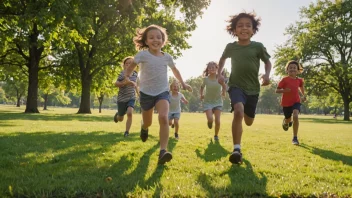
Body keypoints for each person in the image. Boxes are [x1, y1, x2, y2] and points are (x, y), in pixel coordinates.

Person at [124, 24, 192, 164]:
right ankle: (144, 127)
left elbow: (175, 71)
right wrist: (127, 76)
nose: (155, 40)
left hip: (162, 92)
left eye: (159, 37)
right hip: (146, 93)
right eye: (151, 37)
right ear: (146, 41)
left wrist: (183, 83)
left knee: (163, 117)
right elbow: (131, 66)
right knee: (148, 121)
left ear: (163, 40)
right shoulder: (143, 54)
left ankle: (163, 151)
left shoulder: (167, 57)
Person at [217, 12, 272, 164]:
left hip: (253, 89)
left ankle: (238, 144)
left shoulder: (258, 47)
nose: (244, 28)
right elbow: (221, 60)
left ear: (253, 30)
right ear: (234, 30)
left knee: (248, 121)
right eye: (240, 25)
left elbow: (268, 62)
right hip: (236, 85)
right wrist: (220, 73)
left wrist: (267, 75)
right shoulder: (231, 47)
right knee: (238, 111)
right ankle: (236, 149)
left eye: (248, 25)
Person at [276, 60, 305, 145]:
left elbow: (300, 88)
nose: (292, 69)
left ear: (298, 70)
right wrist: (284, 90)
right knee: (288, 119)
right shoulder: (284, 80)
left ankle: (295, 138)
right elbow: (277, 90)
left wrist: (303, 96)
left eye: (294, 68)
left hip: (296, 101)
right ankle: (285, 122)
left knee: (295, 116)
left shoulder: (300, 80)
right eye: (290, 68)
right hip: (286, 103)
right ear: (287, 70)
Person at [200, 61, 226, 141]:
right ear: (207, 70)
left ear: (217, 69)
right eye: (209, 68)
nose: (211, 69)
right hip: (208, 102)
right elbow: (201, 87)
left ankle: (216, 135)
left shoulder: (219, 78)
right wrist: (201, 95)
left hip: (218, 102)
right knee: (211, 119)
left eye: (213, 68)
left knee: (217, 120)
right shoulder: (206, 80)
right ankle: (209, 122)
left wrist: (223, 92)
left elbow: (224, 86)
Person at [114, 56, 139, 137]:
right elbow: (116, 84)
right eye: (127, 63)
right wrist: (125, 83)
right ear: (124, 65)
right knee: (120, 119)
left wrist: (139, 94)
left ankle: (127, 132)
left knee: (129, 113)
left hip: (131, 97)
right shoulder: (122, 74)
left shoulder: (135, 74)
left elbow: (137, 86)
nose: (129, 65)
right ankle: (118, 115)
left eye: (131, 63)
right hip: (121, 98)